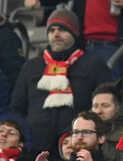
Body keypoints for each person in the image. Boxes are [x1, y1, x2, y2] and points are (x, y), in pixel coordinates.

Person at [11, 9, 111, 153]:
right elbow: (17, 108)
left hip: (76, 147)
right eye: (52, 30)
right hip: (35, 147)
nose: (56, 34)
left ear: (75, 33)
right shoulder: (31, 67)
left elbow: (105, 106)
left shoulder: (94, 64)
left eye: (62, 29)